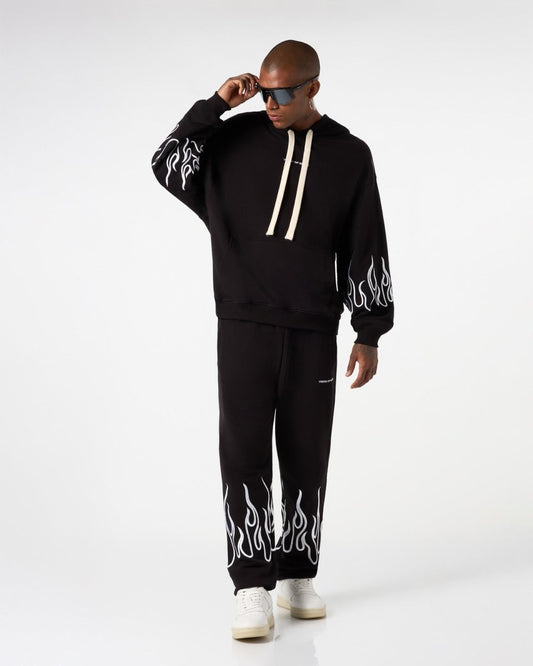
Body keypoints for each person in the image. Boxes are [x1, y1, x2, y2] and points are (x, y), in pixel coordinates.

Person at [151, 39, 394, 640]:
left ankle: (297, 574)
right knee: (244, 452)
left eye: (284, 92)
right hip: (243, 323)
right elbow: (166, 162)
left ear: (314, 87)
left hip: (313, 328)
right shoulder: (232, 141)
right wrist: (217, 104)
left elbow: (366, 240)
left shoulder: (350, 155)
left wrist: (369, 331)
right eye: (264, 92)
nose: (272, 103)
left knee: (307, 452)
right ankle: (251, 587)